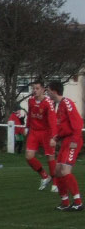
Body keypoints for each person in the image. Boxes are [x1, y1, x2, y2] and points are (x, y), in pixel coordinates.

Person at [45, 80, 82, 210]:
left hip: (72, 140)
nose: (47, 93)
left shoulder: (67, 103)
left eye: (48, 90)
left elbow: (77, 123)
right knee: (57, 171)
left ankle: (78, 202)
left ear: (54, 91)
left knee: (65, 170)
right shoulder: (59, 105)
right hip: (66, 140)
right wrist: (56, 137)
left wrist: (74, 140)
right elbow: (63, 127)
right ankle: (65, 202)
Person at [22, 81, 55, 191]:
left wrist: (53, 136)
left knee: (50, 156)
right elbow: (30, 115)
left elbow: (52, 120)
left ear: (43, 90)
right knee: (28, 156)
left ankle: (56, 183)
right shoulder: (31, 101)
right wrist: (27, 127)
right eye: (33, 88)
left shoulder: (48, 103)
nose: (34, 90)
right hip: (34, 132)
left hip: (46, 132)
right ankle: (45, 176)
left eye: (37, 88)